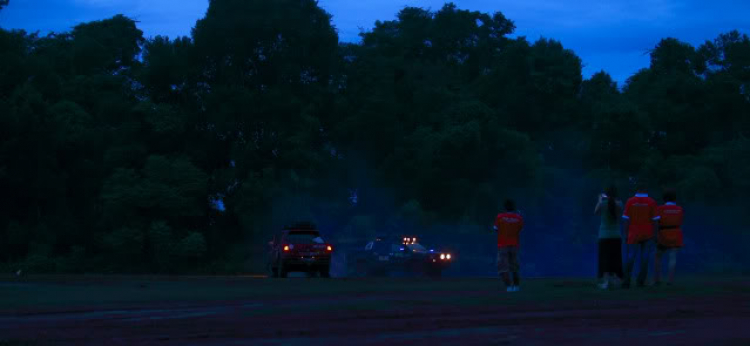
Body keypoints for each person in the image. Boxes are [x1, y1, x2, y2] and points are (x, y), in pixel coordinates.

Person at [621, 184, 659, 288]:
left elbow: (626, 219)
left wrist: (625, 234)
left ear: (637, 188)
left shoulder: (630, 201)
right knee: (645, 258)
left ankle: (626, 281)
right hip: (647, 234)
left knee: (630, 257)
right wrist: (656, 235)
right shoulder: (652, 202)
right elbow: (655, 221)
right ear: (646, 188)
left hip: (633, 234)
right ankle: (640, 281)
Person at [594, 185, 624, 290]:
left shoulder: (603, 204)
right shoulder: (619, 204)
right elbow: (620, 212)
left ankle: (606, 282)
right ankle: (616, 281)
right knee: (615, 259)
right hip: (616, 235)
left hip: (604, 235)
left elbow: (596, 212)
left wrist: (599, 199)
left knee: (605, 259)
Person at [654, 189, 684, 286]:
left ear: (664, 199)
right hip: (675, 233)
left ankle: (657, 279)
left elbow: (656, 222)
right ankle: (670, 280)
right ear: (675, 198)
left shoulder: (659, 209)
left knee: (658, 256)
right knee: (672, 257)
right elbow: (680, 221)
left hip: (663, 234)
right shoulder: (679, 209)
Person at [494, 199, 524, 292]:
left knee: (502, 267)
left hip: (502, 245)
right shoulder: (518, 218)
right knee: (514, 266)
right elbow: (520, 229)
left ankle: (509, 286)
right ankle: (516, 286)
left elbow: (495, 229)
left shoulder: (500, 217)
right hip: (514, 245)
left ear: (505, 207)